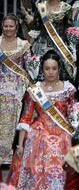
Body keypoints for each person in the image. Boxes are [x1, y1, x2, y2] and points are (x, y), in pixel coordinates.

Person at [8, 50, 77, 188]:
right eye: (47, 68)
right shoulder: (34, 90)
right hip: (39, 133)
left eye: (54, 68)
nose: (50, 72)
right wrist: (20, 145)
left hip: (63, 132)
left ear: (59, 69)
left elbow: (74, 114)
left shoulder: (69, 89)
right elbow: (26, 118)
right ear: (42, 69)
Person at [0, 15, 32, 174]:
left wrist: (22, 85)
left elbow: (29, 69)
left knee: (12, 118)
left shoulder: (23, 45)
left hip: (16, 88)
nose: (8, 29)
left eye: (11, 26)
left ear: (16, 27)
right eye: (5, 26)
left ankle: (7, 156)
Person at [24, 0, 74, 79]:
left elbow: (69, 28)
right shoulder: (40, 7)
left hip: (60, 45)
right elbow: (36, 28)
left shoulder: (66, 8)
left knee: (61, 73)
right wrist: (28, 45)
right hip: (41, 45)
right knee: (40, 73)